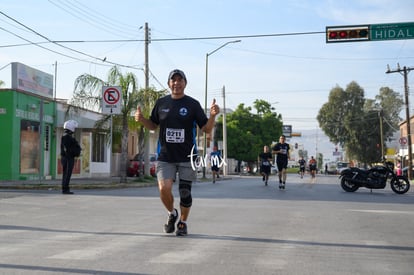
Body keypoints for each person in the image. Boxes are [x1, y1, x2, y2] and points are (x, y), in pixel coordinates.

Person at [135, 69, 219, 236]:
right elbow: (153, 125)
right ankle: (172, 214)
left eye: (180, 80)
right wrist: (142, 119)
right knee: (164, 189)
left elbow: (206, 129)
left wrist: (212, 116)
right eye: (173, 80)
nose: (177, 83)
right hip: (166, 156)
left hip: (188, 156)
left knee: (185, 193)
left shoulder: (192, 104)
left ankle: (183, 222)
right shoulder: (161, 103)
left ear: (185, 84)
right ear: (169, 84)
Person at [60, 120, 81, 195]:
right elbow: (67, 149)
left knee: (67, 174)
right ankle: (65, 189)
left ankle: (65, 188)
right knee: (67, 174)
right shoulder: (66, 137)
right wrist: (71, 154)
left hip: (67, 158)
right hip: (68, 158)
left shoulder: (67, 136)